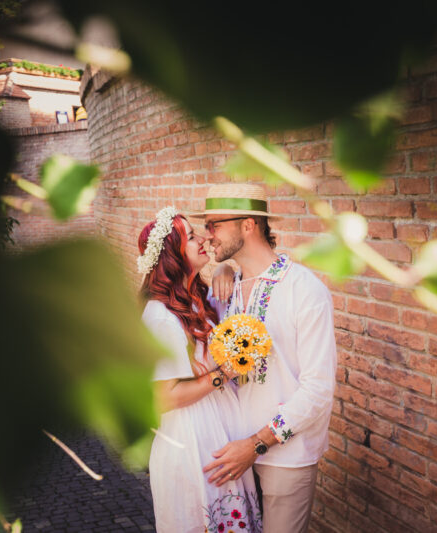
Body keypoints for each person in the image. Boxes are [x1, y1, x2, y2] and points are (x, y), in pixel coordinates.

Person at [192, 183, 337, 533]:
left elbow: (318, 390)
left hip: (286, 458)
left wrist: (256, 444)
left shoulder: (305, 290)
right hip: (230, 454)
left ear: (248, 225)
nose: (207, 235)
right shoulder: (223, 291)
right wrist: (224, 271)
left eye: (214, 225)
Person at [139, 206, 262, 533]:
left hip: (219, 427)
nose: (203, 240)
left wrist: (224, 267)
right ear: (172, 254)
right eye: (191, 236)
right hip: (191, 439)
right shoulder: (160, 316)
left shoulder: (196, 299)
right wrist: (226, 373)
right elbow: (165, 397)